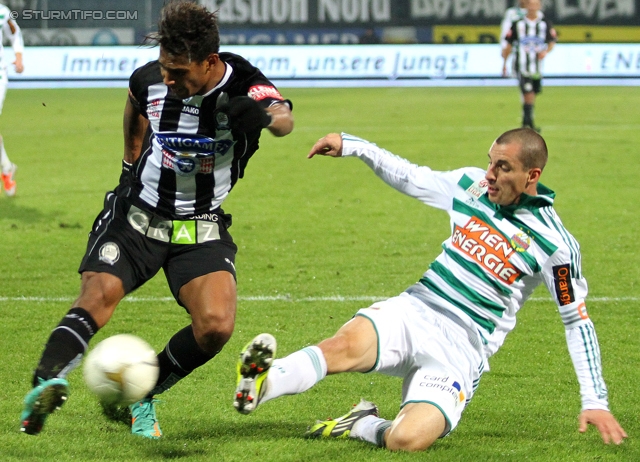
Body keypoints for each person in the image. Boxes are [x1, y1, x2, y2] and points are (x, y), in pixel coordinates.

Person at [233, 129, 627, 452]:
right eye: (490, 161)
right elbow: (411, 176)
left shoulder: (554, 244)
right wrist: (355, 146)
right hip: (416, 309)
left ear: (532, 176)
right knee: (342, 345)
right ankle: (264, 383)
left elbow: (577, 321)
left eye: (502, 167)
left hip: (463, 346)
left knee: (407, 440)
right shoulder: (472, 188)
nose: (489, 174)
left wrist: (595, 401)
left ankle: (362, 424)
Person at [20, 1, 293, 438]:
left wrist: (260, 116)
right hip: (138, 213)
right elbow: (134, 102)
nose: (168, 78)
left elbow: (284, 119)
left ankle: (144, 391)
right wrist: (129, 166)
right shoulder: (152, 78)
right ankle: (45, 383)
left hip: (198, 222)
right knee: (98, 292)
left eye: (179, 71)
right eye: (164, 66)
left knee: (216, 327)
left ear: (209, 62)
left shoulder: (243, 81)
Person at [502, 0, 556, 131]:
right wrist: (504, 63)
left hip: (537, 67)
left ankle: (527, 122)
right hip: (522, 66)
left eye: (535, 4)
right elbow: (508, 44)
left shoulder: (544, 24)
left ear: (539, 6)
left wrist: (545, 52)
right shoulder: (517, 24)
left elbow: (552, 41)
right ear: (526, 6)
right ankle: (528, 124)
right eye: (530, 4)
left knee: (533, 93)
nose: (532, 7)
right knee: (528, 92)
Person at [0, 3, 24, 196]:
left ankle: (7, 169)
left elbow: (14, 33)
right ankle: (7, 167)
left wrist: (18, 57)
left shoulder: (2, 12)